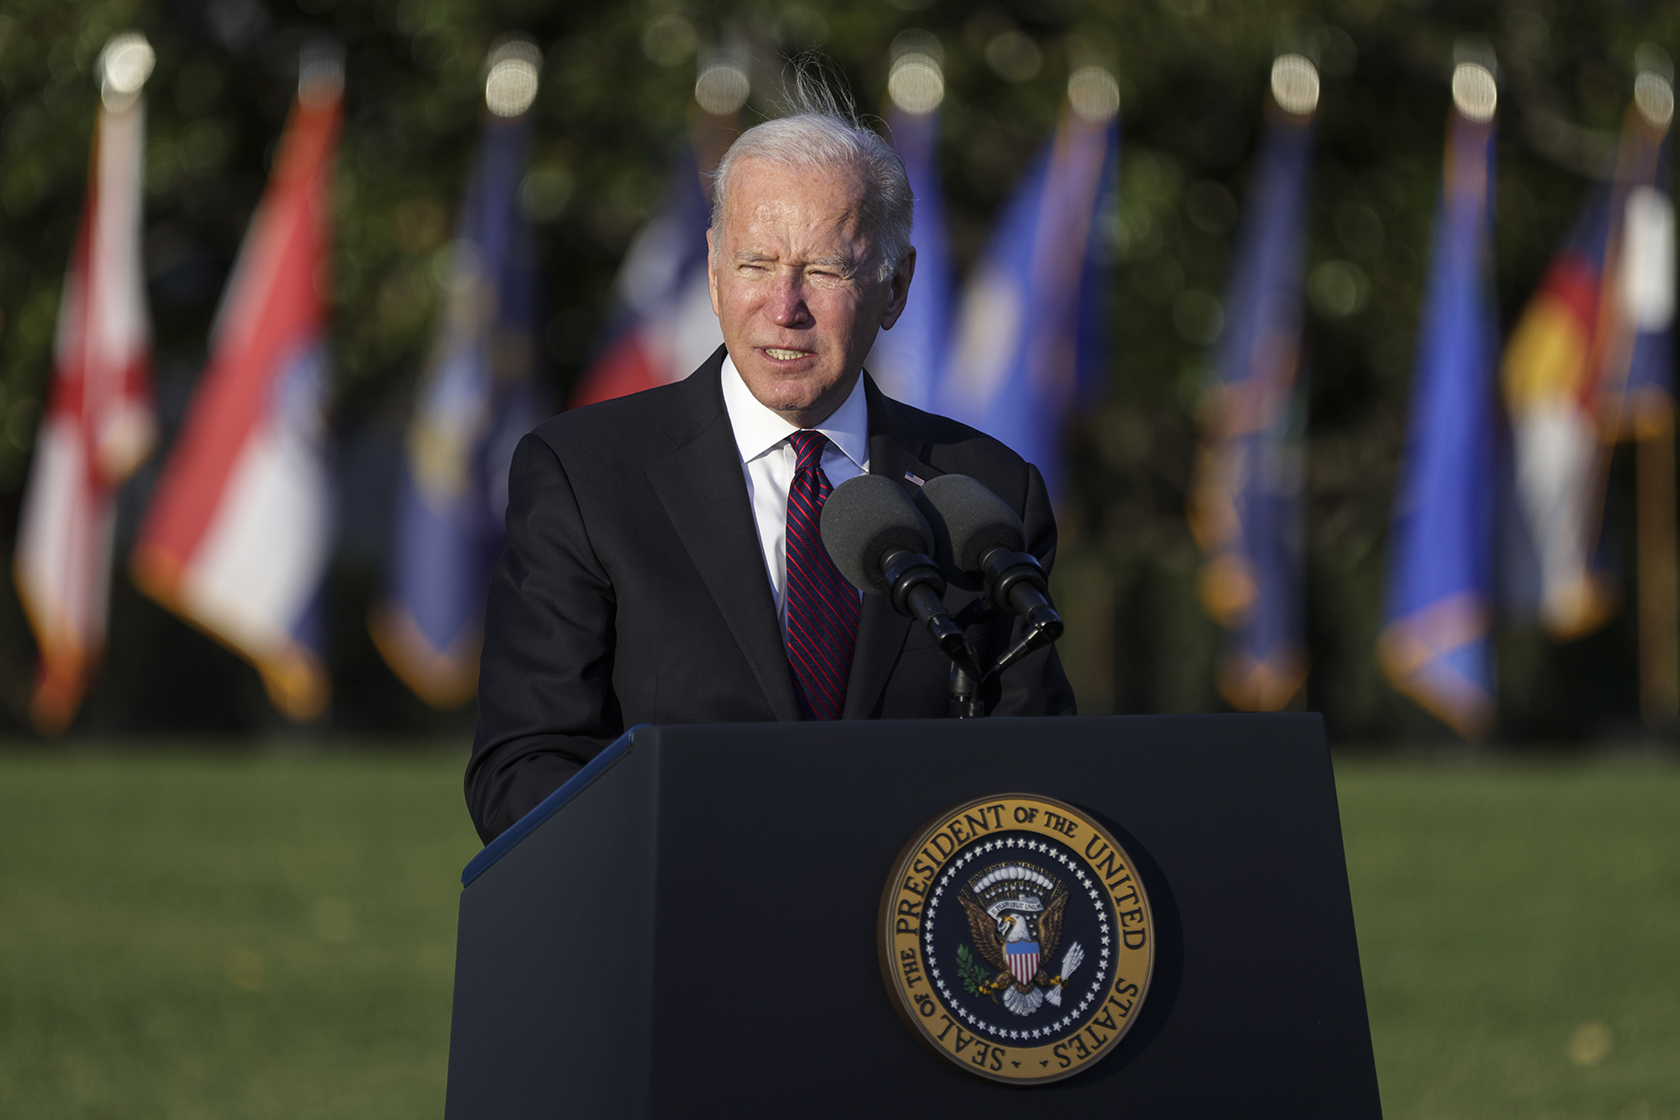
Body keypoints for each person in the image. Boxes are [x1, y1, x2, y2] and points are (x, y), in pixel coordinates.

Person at [467, 88, 1075, 844]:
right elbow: (525, 767)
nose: (784, 306)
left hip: (904, 941)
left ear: (896, 287)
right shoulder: (584, 477)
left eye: (824, 270)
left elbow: (1039, 771)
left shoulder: (984, 492)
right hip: (684, 928)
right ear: (716, 274)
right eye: (757, 263)